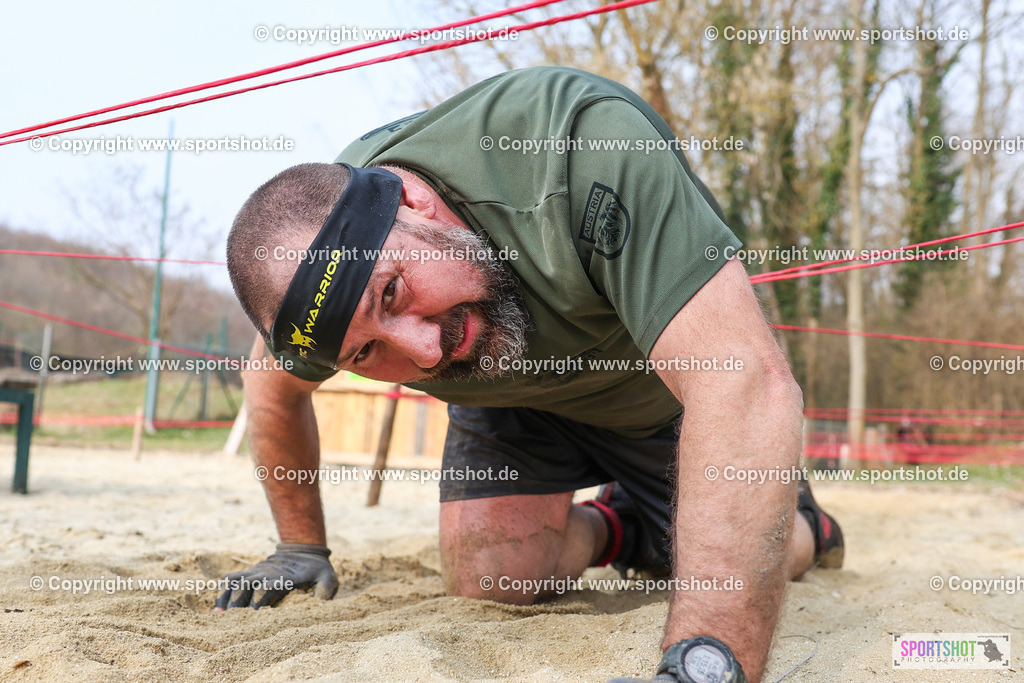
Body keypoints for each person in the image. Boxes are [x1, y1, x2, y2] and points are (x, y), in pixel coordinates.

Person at [221, 66, 844, 683]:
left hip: (660, 399)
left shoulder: (585, 145)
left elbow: (740, 380)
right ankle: (623, 526)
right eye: (365, 354)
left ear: (414, 201)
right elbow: (270, 392)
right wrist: (300, 548)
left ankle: (809, 522)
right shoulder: (308, 284)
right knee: (493, 577)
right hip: (508, 387)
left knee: (767, 551)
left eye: (393, 294)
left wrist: (703, 670)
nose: (425, 353)